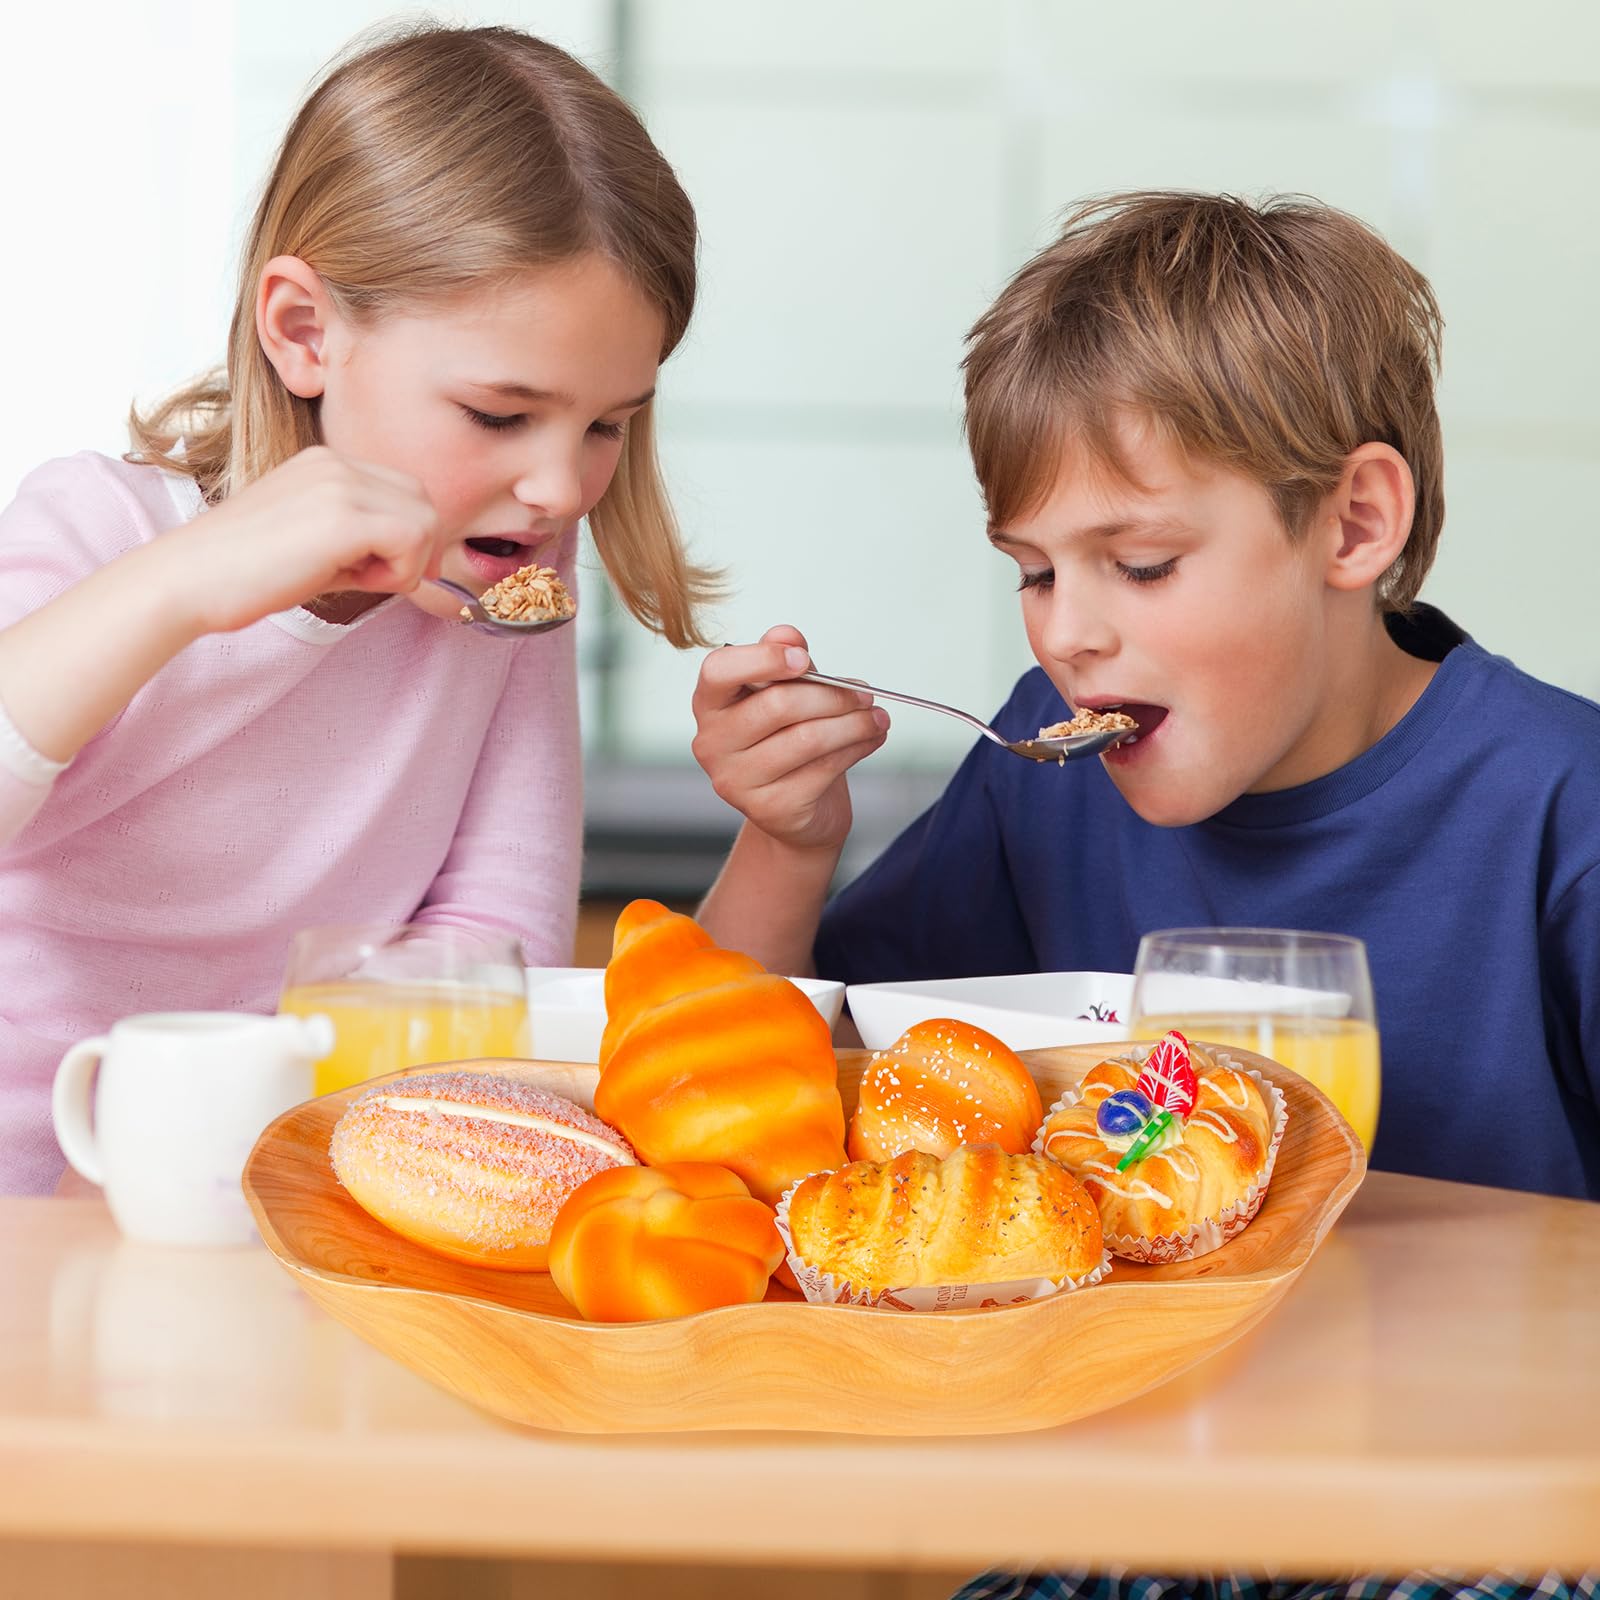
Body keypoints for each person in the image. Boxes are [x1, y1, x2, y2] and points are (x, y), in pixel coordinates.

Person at [691, 189, 1600, 1205]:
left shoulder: (1565, 810)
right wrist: (786, 841)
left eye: (1141, 563)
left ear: (1352, 525)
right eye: (1034, 572)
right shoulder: (1041, 773)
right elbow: (752, 1091)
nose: (1066, 631)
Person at [0, 22, 715, 1194]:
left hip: (313, 1197)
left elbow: (492, 942)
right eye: (497, 413)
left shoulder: (507, 579)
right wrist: (181, 589)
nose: (554, 485)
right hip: (29, 1210)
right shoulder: (101, 535)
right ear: (303, 331)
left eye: (606, 424)